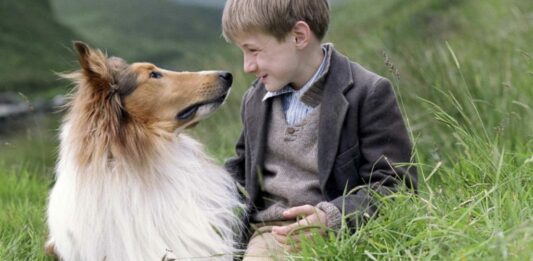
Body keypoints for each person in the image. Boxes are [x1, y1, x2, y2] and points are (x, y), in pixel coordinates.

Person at [222, 0, 417, 259]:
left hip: (338, 234)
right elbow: (241, 172)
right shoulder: (254, 100)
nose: (247, 66)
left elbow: (397, 187)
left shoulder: (368, 93)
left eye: (254, 50)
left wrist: (331, 218)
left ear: (299, 36)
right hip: (268, 233)